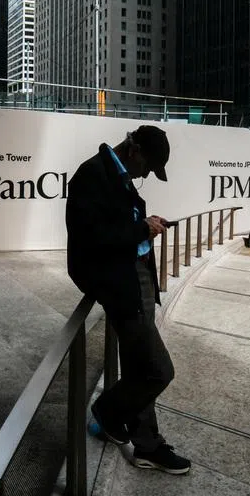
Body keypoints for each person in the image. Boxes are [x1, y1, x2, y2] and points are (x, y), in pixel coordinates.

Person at [65, 125, 191, 475]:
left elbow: (115, 224)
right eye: (148, 166)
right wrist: (141, 229)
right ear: (134, 150)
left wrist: (145, 222)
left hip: (132, 280)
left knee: (140, 369)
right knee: (157, 371)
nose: (146, 174)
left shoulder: (114, 172)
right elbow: (92, 238)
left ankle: (145, 444)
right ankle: (108, 414)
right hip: (121, 286)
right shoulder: (92, 175)